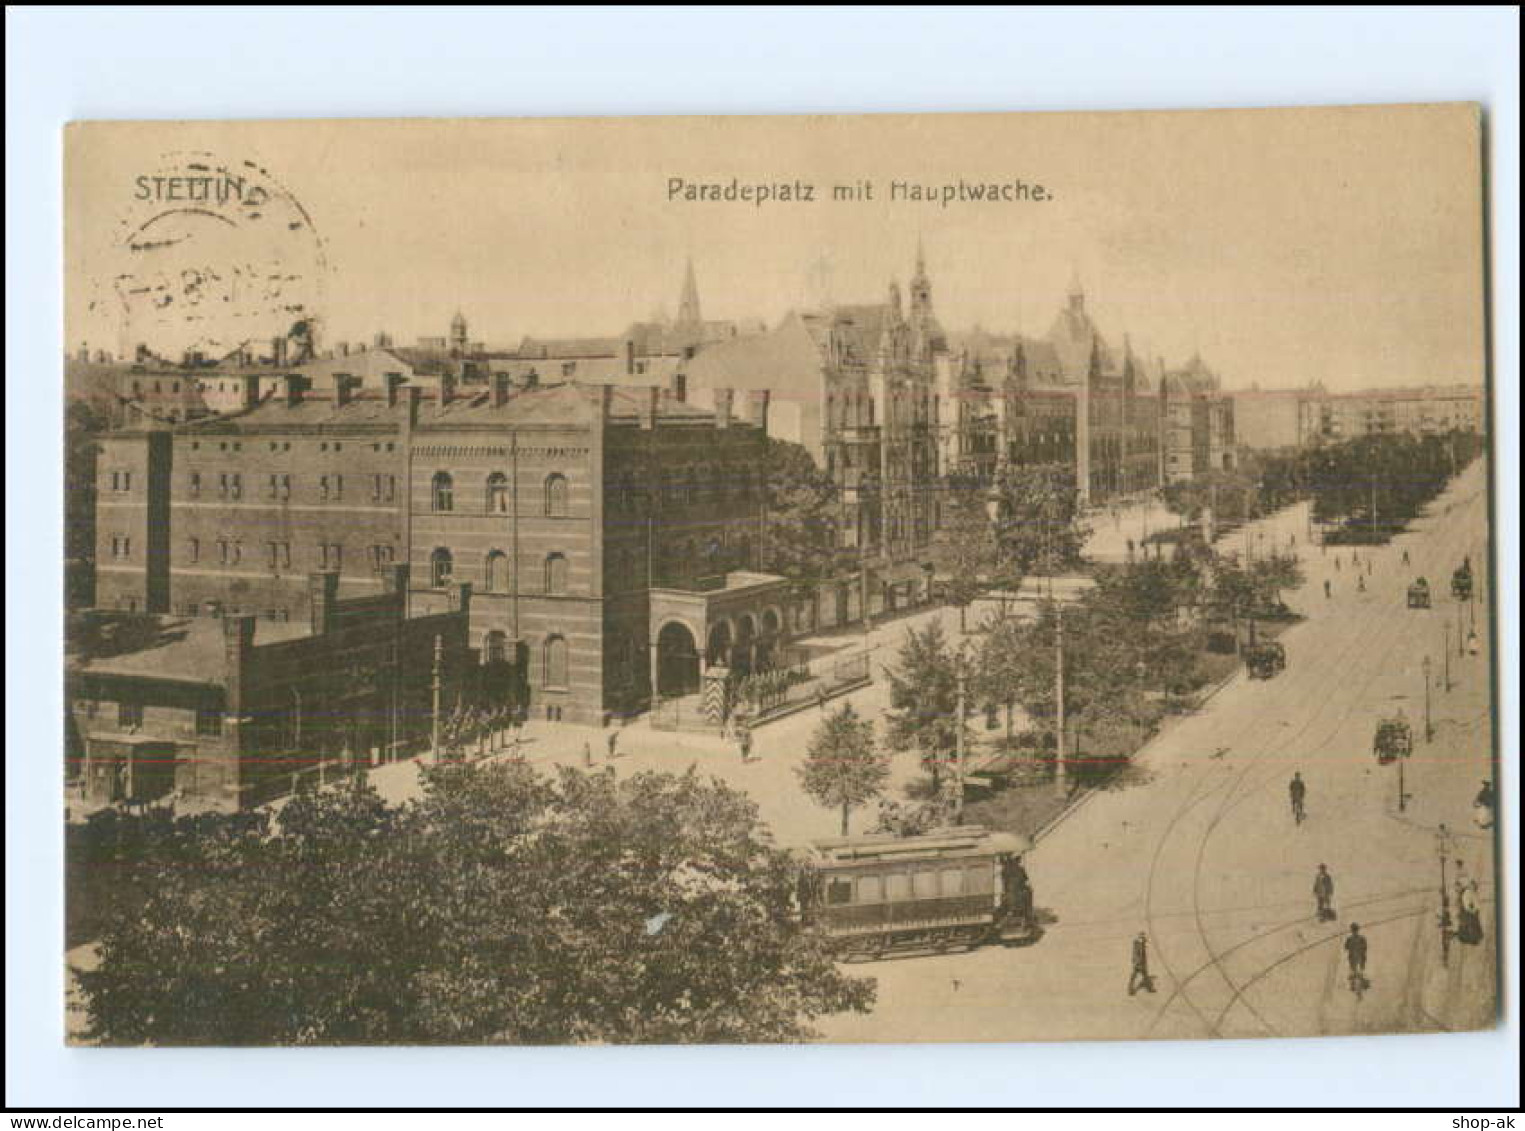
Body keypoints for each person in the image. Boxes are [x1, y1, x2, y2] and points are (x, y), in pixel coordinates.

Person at [1128, 931, 1156, 995]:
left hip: (1142, 962)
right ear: (1139, 936)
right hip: (1138, 963)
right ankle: (1130, 990)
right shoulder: (1136, 943)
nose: (1143, 937)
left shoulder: (1142, 942)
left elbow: (1143, 951)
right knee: (1134, 976)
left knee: (1145, 976)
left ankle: (1149, 988)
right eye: (1142, 936)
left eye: (1143, 936)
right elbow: (1135, 953)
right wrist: (1136, 962)